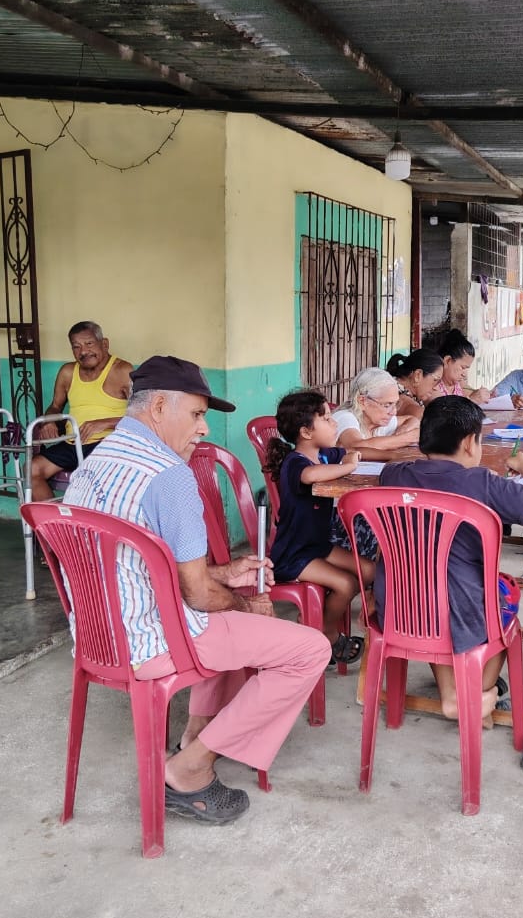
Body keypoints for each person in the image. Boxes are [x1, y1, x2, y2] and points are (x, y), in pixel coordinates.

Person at [62, 356, 330, 826]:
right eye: (197, 414)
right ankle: (190, 767)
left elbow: (144, 562)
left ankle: (194, 735)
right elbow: (199, 596)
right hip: (153, 641)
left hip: (97, 635)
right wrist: (246, 603)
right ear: (158, 407)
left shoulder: (94, 462)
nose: (204, 428)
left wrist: (223, 574)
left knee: (229, 620)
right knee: (308, 649)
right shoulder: (169, 475)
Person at [376, 396, 523, 726]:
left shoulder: (393, 475)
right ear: (470, 443)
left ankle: (451, 692)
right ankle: (473, 694)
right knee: (504, 597)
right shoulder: (483, 483)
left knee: (433, 585)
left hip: (399, 606)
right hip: (464, 609)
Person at [265, 390, 371, 667]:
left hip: (318, 545)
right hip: (294, 553)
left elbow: (348, 452)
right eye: (326, 418)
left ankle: (316, 620)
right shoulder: (295, 462)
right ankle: (326, 632)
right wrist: (348, 466)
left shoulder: (323, 455)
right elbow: (311, 476)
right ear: (305, 432)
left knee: (370, 571)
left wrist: (357, 455)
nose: (334, 423)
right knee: (346, 583)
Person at [29, 321, 133, 499]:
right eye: (76, 346)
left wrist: (104, 423)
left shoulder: (122, 370)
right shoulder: (67, 372)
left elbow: (142, 417)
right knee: (31, 470)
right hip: (72, 443)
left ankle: (85, 516)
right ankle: (56, 518)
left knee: (93, 481)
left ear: (104, 343)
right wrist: (50, 421)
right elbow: (55, 406)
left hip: (107, 444)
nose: (83, 351)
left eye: (89, 343)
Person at [330, 367, 420, 460]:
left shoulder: (377, 421)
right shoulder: (345, 417)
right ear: (363, 401)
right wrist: (407, 438)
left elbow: (412, 420)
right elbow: (356, 446)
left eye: (395, 404)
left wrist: (402, 430)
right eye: (387, 405)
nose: (394, 412)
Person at [428, 327, 491, 403]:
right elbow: (441, 409)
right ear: (447, 360)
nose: (464, 374)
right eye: (463, 368)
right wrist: (472, 400)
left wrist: (484, 395)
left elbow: (473, 393)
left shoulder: (458, 384)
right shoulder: (432, 386)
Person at [386, 349, 444, 422]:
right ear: (417, 375)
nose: (436, 387)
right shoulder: (417, 412)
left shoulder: (388, 386)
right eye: (435, 380)